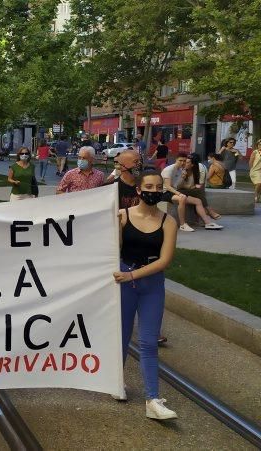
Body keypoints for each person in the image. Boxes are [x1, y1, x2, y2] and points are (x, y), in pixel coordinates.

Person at [113, 170, 178, 420]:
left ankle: (153, 399)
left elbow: (164, 261)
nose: (154, 191)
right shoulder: (123, 216)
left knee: (149, 342)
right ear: (139, 190)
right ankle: (116, 383)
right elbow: (113, 248)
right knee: (121, 335)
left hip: (150, 284)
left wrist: (132, 276)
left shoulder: (168, 221)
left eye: (158, 186)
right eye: (148, 186)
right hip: (124, 281)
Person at [161, 155, 222, 231]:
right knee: (182, 198)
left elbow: (178, 185)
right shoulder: (169, 169)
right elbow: (168, 186)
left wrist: (183, 179)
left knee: (198, 201)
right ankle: (183, 224)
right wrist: (179, 193)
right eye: (180, 160)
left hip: (175, 191)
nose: (183, 163)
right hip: (166, 192)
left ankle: (208, 223)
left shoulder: (181, 170)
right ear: (176, 160)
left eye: (184, 161)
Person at [178, 154, 221, 220]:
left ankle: (206, 214)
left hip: (193, 189)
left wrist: (193, 187)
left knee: (198, 193)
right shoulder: (182, 169)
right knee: (198, 193)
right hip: (178, 190)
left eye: (187, 162)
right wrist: (184, 179)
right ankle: (209, 212)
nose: (184, 163)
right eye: (184, 161)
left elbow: (199, 184)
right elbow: (177, 185)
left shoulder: (197, 169)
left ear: (193, 164)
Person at [249, 139, 261, 203]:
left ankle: (258, 195)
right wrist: (251, 170)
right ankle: (255, 196)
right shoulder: (255, 152)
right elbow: (250, 161)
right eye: (259, 144)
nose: (260, 146)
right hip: (255, 170)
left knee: (260, 184)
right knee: (259, 183)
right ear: (257, 145)